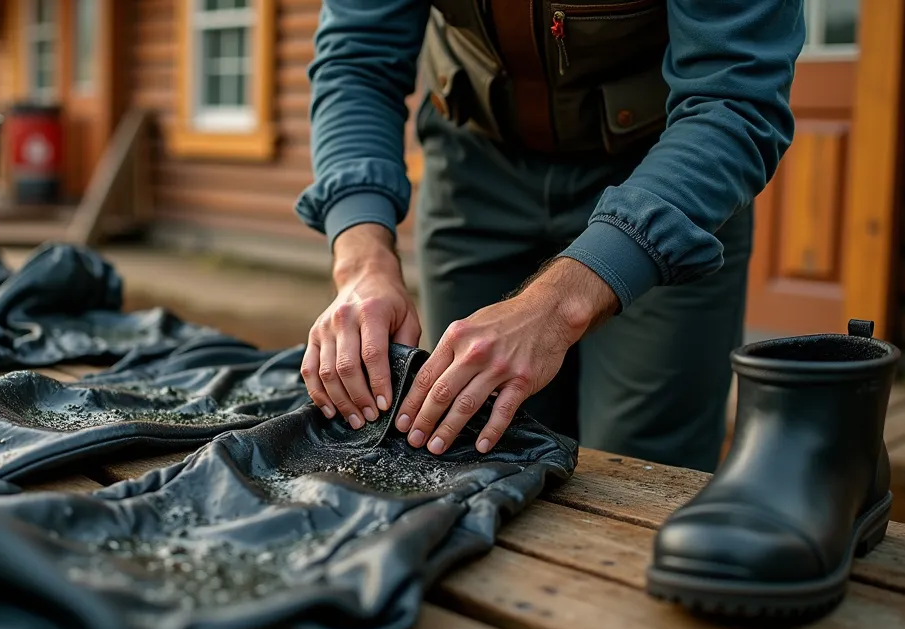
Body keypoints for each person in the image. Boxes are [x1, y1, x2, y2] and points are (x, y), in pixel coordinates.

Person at [294, 0, 804, 472]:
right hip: (474, 164)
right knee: (468, 442)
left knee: (640, 462)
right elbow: (357, 60)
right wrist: (361, 262)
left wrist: (560, 307)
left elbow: (734, 98)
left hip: (665, 175)